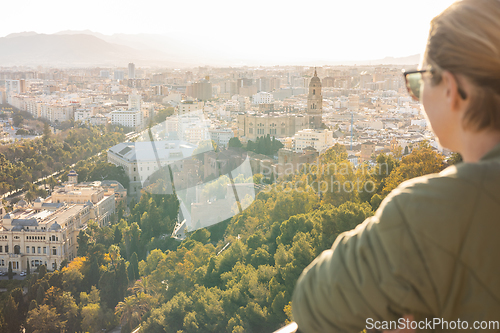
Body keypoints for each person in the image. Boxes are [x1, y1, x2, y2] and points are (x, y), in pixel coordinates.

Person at [291, 0, 500, 332]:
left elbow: (312, 302)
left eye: (417, 83)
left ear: (450, 87)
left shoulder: (428, 212)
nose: (415, 97)